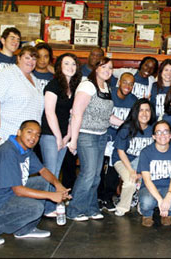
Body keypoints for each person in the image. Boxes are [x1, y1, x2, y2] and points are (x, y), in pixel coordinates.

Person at [0, 120, 72, 245]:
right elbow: (18, 190)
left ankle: (25, 229)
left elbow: (43, 170)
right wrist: (50, 195)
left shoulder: (24, 149)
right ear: (19, 132)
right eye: (29, 132)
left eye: (37, 135)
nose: (33, 137)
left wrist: (57, 185)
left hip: (6, 192)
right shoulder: (8, 152)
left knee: (43, 182)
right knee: (36, 208)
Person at [67, 57, 123, 221]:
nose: (107, 70)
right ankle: (74, 210)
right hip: (86, 135)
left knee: (96, 176)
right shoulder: (87, 85)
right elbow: (77, 114)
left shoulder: (106, 87)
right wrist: (73, 140)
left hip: (101, 136)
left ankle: (91, 208)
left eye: (110, 68)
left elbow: (108, 116)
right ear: (95, 68)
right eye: (103, 67)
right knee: (88, 173)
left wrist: (126, 124)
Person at [39, 53, 82, 216]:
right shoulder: (53, 85)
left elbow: (74, 114)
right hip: (50, 134)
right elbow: (49, 113)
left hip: (64, 135)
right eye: (66, 64)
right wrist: (58, 136)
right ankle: (46, 207)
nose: (70, 67)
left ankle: (51, 205)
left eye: (73, 64)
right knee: (50, 171)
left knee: (56, 172)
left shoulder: (75, 87)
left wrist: (67, 136)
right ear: (59, 67)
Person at [0, 46, 44, 156]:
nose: (31, 62)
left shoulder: (34, 79)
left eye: (34, 59)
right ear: (19, 58)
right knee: (3, 169)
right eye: (27, 58)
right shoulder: (6, 74)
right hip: (5, 133)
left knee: (20, 170)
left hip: (25, 137)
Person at [99, 72, 138, 211]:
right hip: (103, 136)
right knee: (97, 169)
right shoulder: (109, 94)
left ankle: (107, 197)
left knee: (112, 170)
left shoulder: (134, 101)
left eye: (131, 84)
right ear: (119, 82)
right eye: (125, 82)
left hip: (118, 140)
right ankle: (97, 197)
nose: (127, 86)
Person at [113, 99, 156, 217]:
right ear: (135, 112)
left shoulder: (153, 129)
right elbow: (120, 152)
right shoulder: (126, 128)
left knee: (148, 180)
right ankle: (122, 206)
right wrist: (132, 171)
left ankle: (142, 203)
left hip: (142, 161)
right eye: (141, 110)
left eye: (147, 110)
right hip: (123, 160)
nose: (144, 113)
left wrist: (143, 173)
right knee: (130, 181)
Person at [137, 120, 171, 227]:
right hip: (149, 187)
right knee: (147, 202)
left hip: (168, 187)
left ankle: (167, 215)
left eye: (165, 132)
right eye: (158, 132)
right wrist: (160, 200)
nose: (162, 135)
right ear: (154, 136)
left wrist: (169, 196)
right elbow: (146, 180)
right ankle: (147, 214)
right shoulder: (146, 152)